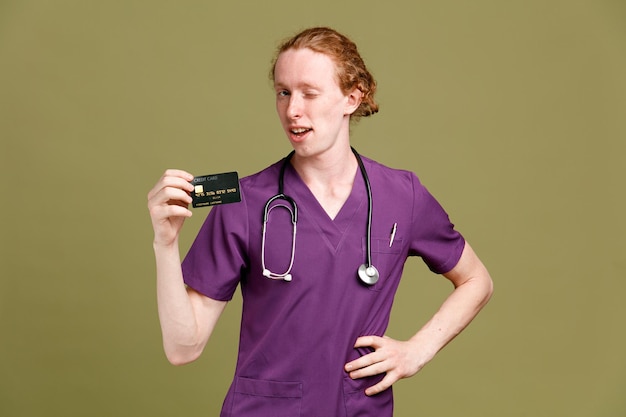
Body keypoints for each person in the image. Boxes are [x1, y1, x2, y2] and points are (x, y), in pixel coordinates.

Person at [147, 27, 493, 417]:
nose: (293, 110)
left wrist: (416, 351)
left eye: (309, 93)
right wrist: (165, 244)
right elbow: (182, 348)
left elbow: (477, 280)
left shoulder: (402, 196)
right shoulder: (243, 204)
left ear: (352, 97)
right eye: (283, 92)